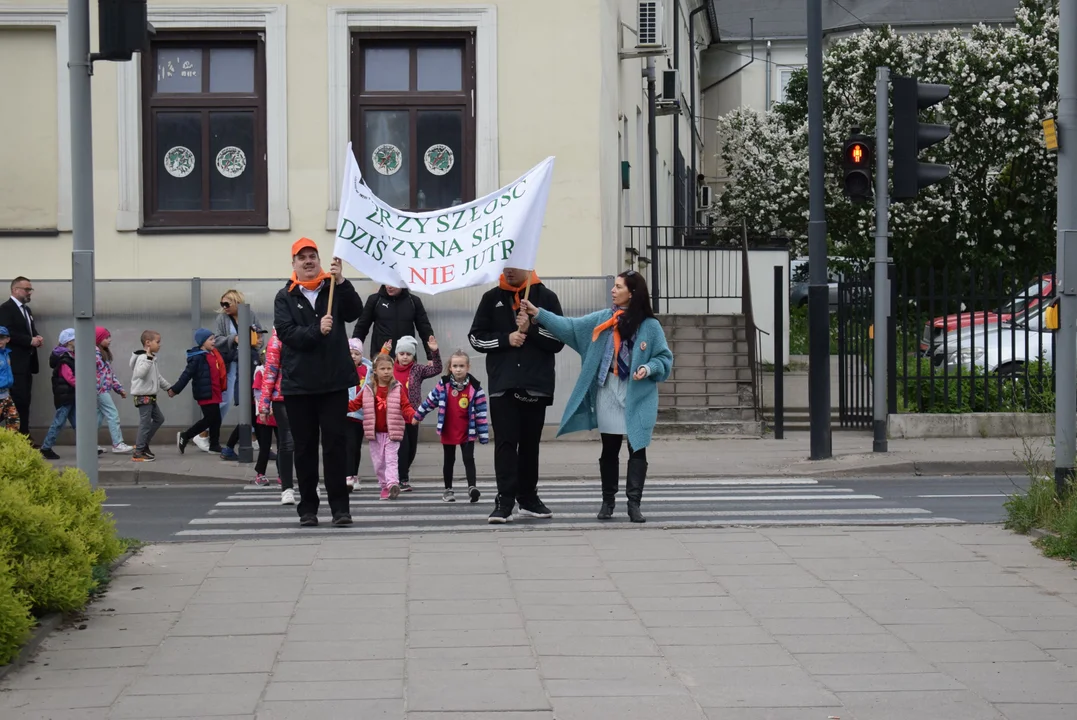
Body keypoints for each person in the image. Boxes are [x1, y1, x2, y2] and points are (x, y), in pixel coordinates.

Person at [520, 270, 672, 523]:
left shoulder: (650, 326)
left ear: (632, 293)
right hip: (608, 389)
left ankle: (634, 505)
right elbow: (569, 327)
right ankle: (608, 502)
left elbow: (664, 358)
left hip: (638, 393)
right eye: (613, 286)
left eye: (619, 287)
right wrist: (539, 314)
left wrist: (649, 368)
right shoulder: (603, 318)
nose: (613, 290)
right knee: (609, 448)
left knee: (638, 448)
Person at [273, 237, 363, 528]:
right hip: (299, 386)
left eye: (313, 256)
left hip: (334, 383)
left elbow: (355, 312)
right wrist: (316, 330)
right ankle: (308, 508)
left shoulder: (333, 288)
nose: (309, 261)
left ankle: (340, 509)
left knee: (335, 446)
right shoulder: (284, 296)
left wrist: (344, 281)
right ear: (294, 264)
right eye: (303, 258)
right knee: (305, 448)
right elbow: (287, 333)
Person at [469, 268, 564, 524]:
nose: (508, 271)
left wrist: (531, 329)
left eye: (514, 265)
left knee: (530, 444)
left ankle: (528, 498)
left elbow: (559, 339)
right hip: (504, 384)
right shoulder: (491, 298)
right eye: (504, 266)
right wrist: (506, 339)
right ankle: (504, 500)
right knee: (506, 443)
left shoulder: (547, 297)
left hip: (536, 383)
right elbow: (476, 338)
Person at [414, 350, 489, 503]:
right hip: (448, 429)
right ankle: (448, 489)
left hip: (468, 430)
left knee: (469, 458)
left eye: (462, 366)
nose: (458, 369)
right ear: (450, 368)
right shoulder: (444, 385)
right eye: (455, 366)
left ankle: (472, 487)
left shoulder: (476, 388)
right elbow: (430, 401)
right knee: (449, 459)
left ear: (468, 367)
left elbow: (481, 413)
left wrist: (483, 435)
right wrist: (417, 416)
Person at [387, 334, 441, 492]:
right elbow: (376, 368)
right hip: (395, 415)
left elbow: (436, 369)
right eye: (402, 354)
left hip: (413, 415)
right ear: (396, 354)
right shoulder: (390, 367)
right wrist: (384, 352)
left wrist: (435, 352)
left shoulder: (417, 369)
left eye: (408, 354)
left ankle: (403, 471)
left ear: (413, 356)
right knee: (402, 447)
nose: (405, 357)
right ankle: (402, 478)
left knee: (411, 449)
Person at [216, 290, 266, 460]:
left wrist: (257, 345)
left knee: (253, 405)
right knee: (230, 401)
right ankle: (207, 433)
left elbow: (259, 335)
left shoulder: (249, 314)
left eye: (227, 304)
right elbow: (217, 340)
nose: (224, 308)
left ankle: (258, 444)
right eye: (222, 304)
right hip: (232, 363)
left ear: (237, 302)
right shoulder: (222, 318)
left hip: (249, 362)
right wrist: (234, 339)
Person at [359, 353, 416, 500]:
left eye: (389, 368)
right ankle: (384, 486)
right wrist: (340, 408)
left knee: (391, 459)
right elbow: (356, 403)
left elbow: (405, 406)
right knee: (379, 463)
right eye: (383, 369)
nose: (386, 372)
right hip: (375, 433)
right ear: (375, 371)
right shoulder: (369, 389)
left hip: (392, 432)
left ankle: (392, 484)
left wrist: (413, 416)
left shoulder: (397, 388)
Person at [171, 328, 228, 454]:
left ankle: (214, 444)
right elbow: (186, 374)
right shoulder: (198, 358)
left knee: (216, 419)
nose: (214, 341)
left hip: (214, 392)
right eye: (211, 339)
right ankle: (185, 436)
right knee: (209, 419)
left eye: (214, 339)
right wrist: (175, 389)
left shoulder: (213, 354)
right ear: (202, 342)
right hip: (205, 393)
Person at [0, 277, 43, 439]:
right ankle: (18, 437)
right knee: (17, 401)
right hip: (13, 364)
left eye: (30, 289)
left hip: (26, 364)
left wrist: (37, 337)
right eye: (26, 289)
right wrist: (29, 340)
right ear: (14, 290)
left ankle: (24, 436)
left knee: (24, 401)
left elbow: (29, 330)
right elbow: (6, 332)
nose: (29, 292)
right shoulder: (6, 309)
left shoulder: (27, 310)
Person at [257, 329, 296, 506]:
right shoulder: (278, 337)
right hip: (283, 395)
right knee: (287, 442)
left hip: (308, 393)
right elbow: (270, 371)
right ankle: (287, 487)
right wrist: (264, 405)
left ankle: (308, 483)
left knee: (307, 441)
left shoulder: (311, 329)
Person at [352, 284, 435, 359]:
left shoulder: (413, 301)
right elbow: (361, 327)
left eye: (392, 284)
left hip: (406, 357)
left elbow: (425, 330)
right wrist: (353, 352)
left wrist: (431, 356)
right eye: (386, 283)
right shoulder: (375, 300)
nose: (389, 287)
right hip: (381, 357)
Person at [129, 329, 172, 462]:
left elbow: (157, 377)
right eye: (157, 342)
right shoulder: (143, 358)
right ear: (148, 343)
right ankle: (139, 451)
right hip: (144, 396)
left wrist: (169, 388)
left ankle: (143, 444)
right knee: (145, 423)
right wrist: (148, 358)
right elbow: (140, 374)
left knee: (159, 419)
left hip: (150, 396)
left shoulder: (151, 358)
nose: (160, 345)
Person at [39, 328, 77, 460]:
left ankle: (89, 446)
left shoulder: (69, 356)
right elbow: (70, 378)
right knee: (59, 422)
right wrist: (83, 385)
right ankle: (46, 447)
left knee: (79, 423)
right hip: (65, 396)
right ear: (69, 342)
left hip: (69, 396)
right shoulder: (65, 358)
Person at [94, 327, 133, 454]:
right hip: (100, 391)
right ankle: (117, 444)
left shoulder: (102, 354)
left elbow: (110, 374)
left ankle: (89, 444)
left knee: (97, 418)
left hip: (101, 390)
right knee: (113, 414)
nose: (109, 340)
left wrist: (119, 388)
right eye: (106, 337)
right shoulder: (95, 354)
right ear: (98, 339)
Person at [344, 338, 373, 492]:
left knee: (356, 447)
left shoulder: (367, 370)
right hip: (346, 413)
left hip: (361, 415)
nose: (353, 356)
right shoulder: (342, 368)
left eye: (356, 353)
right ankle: (347, 475)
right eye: (350, 353)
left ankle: (354, 474)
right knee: (348, 446)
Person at [252, 354, 280, 487]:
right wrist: (266, 407)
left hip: (280, 414)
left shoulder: (281, 371)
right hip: (266, 414)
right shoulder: (261, 372)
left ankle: (282, 473)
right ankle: (260, 473)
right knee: (265, 447)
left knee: (283, 447)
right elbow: (257, 392)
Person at [0, 326, 19, 432]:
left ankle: (10, 445)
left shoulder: (6, 354)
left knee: (13, 421)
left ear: (7, 339)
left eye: (2, 338)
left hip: (6, 394)